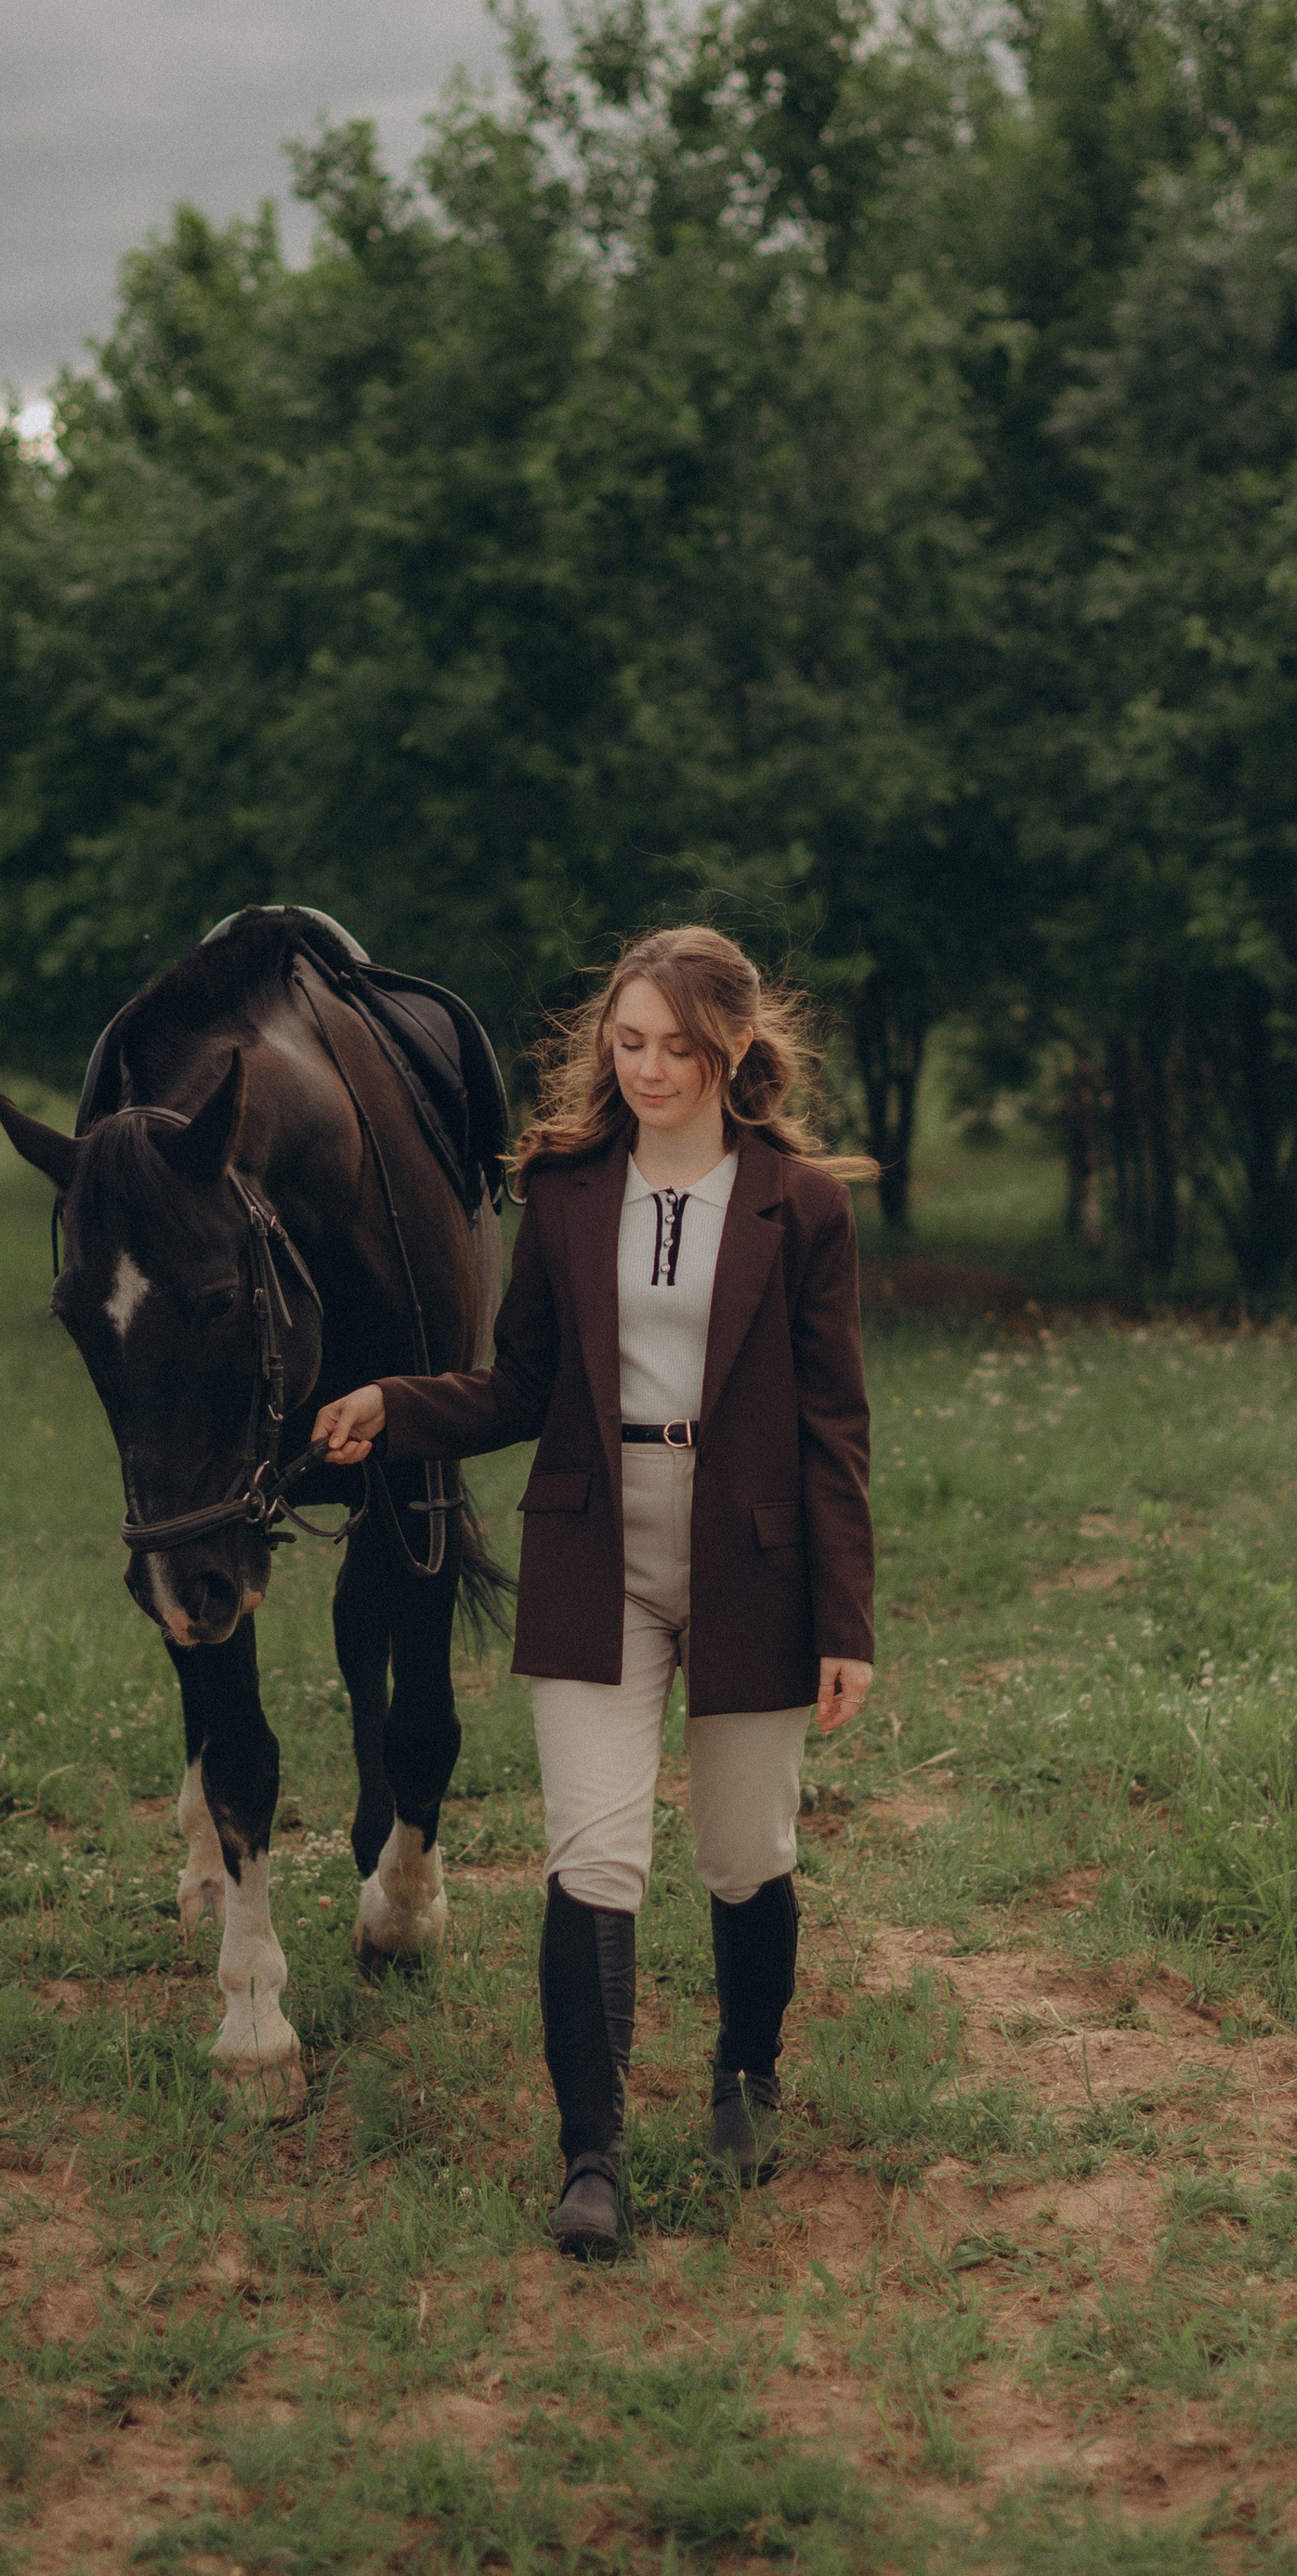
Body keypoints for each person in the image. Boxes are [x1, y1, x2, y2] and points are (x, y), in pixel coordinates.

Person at [312, 924, 875, 2259]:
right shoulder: (564, 1191)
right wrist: (393, 1403)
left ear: (730, 1048)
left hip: (755, 1557)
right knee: (594, 1854)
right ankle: (593, 2156)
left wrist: (846, 1622)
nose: (649, 1069)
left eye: (678, 1046)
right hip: (593, 1546)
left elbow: (835, 1426)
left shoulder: (802, 1204)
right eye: (629, 1043)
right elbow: (516, 1388)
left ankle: (746, 2074)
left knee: (746, 1854)